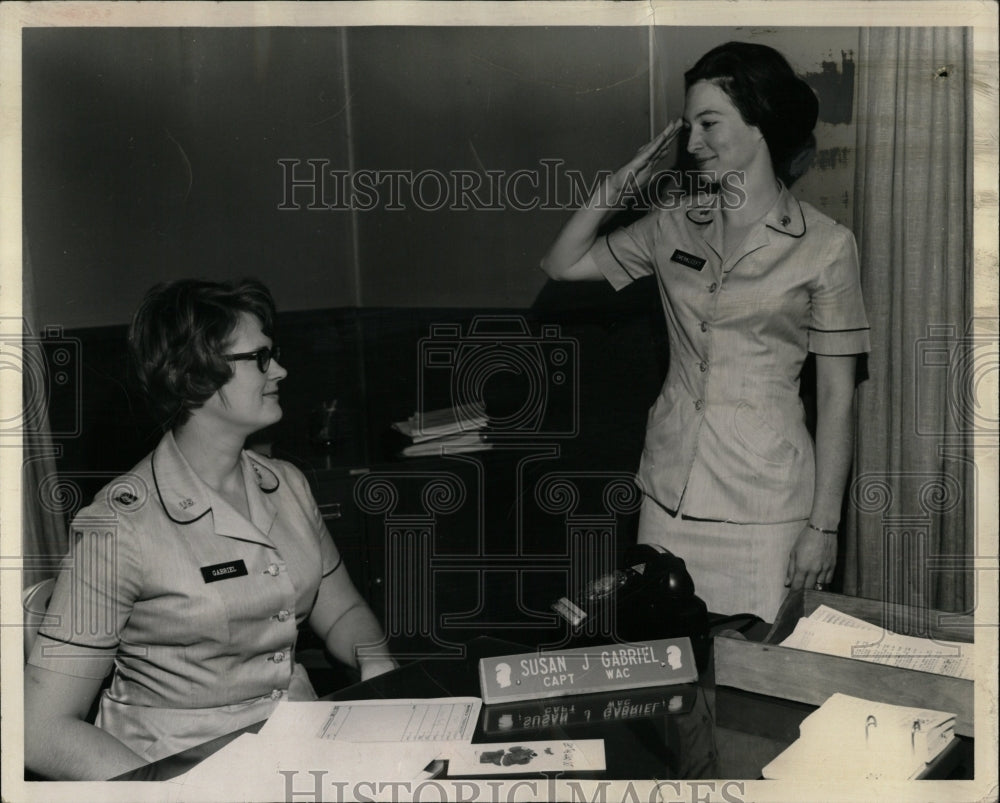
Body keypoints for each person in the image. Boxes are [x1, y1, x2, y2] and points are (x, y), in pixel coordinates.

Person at [541, 42, 870, 622]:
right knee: (667, 677)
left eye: (709, 124)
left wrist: (824, 525)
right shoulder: (672, 226)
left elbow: (838, 396)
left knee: (755, 687)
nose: (692, 144)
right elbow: (562, 264)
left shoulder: (826, 246)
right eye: (689, 126)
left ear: (760, 122)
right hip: (667, 501)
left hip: (769, 514)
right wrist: (622, 183)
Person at [25, 278, 397, 780]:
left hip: (301, 749)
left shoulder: (285, 484)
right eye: (261, 358)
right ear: (194, 376)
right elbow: (39, 729)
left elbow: (344, 610)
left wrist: (374, 662)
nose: (281, 370)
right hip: (176, 772)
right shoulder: (118, 524)